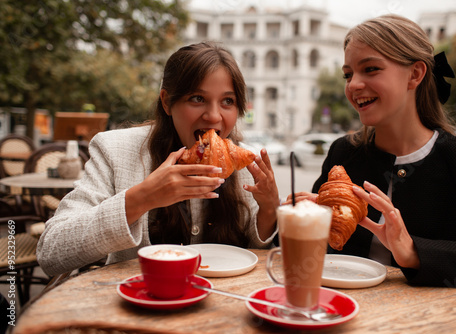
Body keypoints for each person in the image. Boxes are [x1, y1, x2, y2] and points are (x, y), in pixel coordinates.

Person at [288, 15, 456, 303]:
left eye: (371, 69)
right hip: (334, 311)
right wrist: (276, 212)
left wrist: (413, 252)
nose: (353, 85)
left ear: (415, 74)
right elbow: (306, 249)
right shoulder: (342, 153)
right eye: (348, 74)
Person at [37, 42, 280, 276]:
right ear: (166, 101)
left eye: (228, 101)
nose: (214, 116)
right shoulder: (115, 150)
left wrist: (269, 209)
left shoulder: (250, 164)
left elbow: (257, 261)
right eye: (197, 98)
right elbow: (52, 252)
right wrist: (141, 198)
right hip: (139, 306)